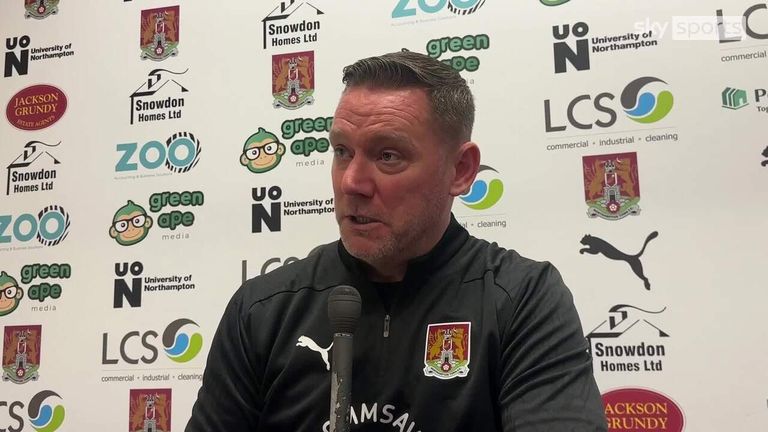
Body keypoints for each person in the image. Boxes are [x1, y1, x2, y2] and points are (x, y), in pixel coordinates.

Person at [186, 51, 607, 431]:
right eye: (342, 151)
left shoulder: (521, 300)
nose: (352, 182)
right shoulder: (263, 309)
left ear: (461, 170)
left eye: (388, 156)